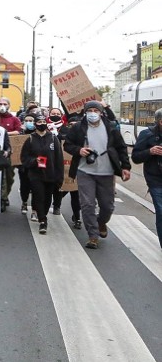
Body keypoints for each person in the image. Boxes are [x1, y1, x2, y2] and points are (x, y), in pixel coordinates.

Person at [63, 100, 131, 250]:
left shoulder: (111, 127)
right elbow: (67, 144)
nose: (92, 113)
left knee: (107, 206)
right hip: (85, 171)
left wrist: (125, 166)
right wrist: (78, 150)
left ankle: (101, 222)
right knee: (87, 205)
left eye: (95, 110)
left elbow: (121, 148)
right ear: (85, 112)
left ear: (101, 112)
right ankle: (93, 235)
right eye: (90, 110)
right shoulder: (78, 128)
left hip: (106, 173)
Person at [20, 114, 64, 234]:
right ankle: (42, 221)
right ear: (35, 125)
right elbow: (24, 158)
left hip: (50, 174)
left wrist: (60, 177)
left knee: (47, 198)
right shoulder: (30, 139)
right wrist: (34, 161)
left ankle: (43, 214)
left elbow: (59, 159)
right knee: (38, 196)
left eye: (43, 121)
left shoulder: (53, 138)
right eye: (39, 122)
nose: (41, 124)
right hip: (35, 174)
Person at [131, 108, 162, 249]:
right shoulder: (147, 134)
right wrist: (150, 151)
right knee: (161, 212)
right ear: (159, 121)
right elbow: (136, 157)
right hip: (155, 179)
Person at [0, 98, 22, 212]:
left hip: (9, 153)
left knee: (9, 177)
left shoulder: (14, 119)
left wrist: (4, 133)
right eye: (0, 104)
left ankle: (5, 195)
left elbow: (18, 131)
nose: (2, 106)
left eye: (4, 104)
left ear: (9, 105)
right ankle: (0, 198)